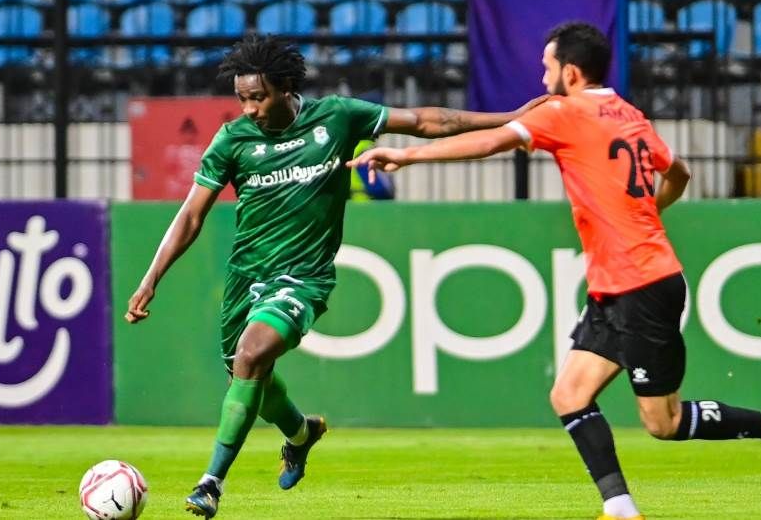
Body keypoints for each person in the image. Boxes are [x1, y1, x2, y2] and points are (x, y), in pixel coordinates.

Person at [348, 21, 761, 520]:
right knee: (569, 393)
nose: (542, 75)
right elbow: (680, 172)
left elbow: (489, 143)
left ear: (570, 72)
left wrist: (407, 155)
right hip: (619, 286)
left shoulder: (565, 111)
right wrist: (647, 213)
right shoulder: (628, 113)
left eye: (547, 66)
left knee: (665, 422)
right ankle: (620, 509)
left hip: (641, 286)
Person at [124, 33, 546, 519]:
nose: (249, 109)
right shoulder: (232, 140)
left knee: (252, 355)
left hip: (304, 277)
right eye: (242, 99)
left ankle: (210, 483)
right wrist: (151, 277)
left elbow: (426, 121)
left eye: (258, 97)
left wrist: (510, 118)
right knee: (249, 375)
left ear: (285, 88)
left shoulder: (337, 117)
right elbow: (191, 216)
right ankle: (301, 433)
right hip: (247, 278)